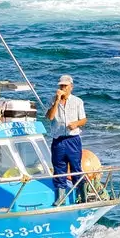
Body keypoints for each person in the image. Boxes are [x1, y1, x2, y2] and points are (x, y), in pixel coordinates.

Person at [45, 74, 87, 204]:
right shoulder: (52, 100)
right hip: (58, 140)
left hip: (73, 139)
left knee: (76, 167)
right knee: (59, 168)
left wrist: (76, 124)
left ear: (71, 87)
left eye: (65, 86)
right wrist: (57, 101)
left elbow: (84, 119)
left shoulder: (77, 101)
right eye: (61, 85)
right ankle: (60, 197)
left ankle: (81, 195)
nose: (63, 88)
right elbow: (50, 117)